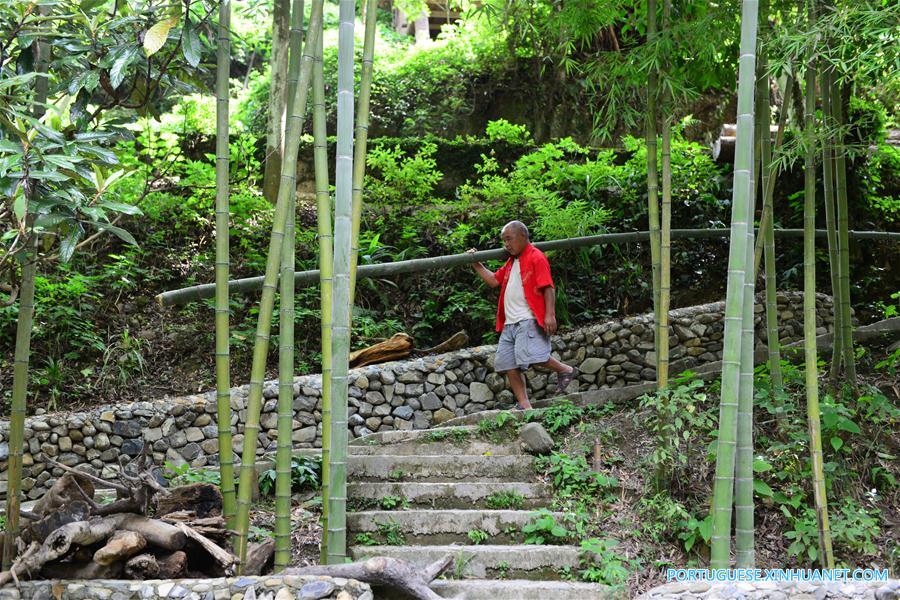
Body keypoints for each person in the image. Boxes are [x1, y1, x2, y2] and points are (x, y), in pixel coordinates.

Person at [468, 221, 577, 410]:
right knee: (509, 364)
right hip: (509, 322)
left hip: (527, 317)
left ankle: (565, 370)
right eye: (504, 241)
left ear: (523, 236)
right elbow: (494, 280)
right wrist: (476, 264)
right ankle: (525, 406)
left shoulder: (536, 257)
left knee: (534, 355)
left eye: (509, 239)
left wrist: (550, 314)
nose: (506, 244)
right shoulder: (512, 261)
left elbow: (548, 286)